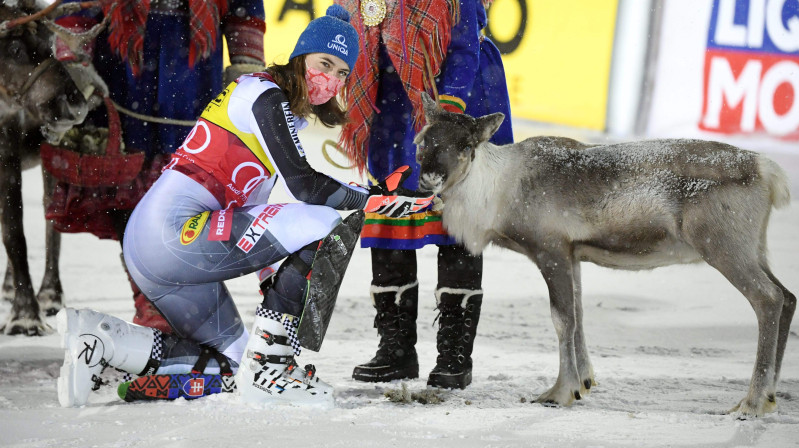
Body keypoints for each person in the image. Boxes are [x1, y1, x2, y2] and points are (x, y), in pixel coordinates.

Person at [56, 5, 434, 408]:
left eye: (343, 73)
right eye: (325, 63)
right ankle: (271, 367)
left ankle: (100, 342)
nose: (332, 80)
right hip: (169, 235)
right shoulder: (263, 94)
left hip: (163, 248)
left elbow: (258, 221)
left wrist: (280, 295)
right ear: (300, 56)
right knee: (323, 222)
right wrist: (367, 198)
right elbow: (305, 187)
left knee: (233, 365)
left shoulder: (277, 110)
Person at [49, 0, 267, 333]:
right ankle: (152, 301)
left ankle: (181, 301)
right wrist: (74, 51)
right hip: (121, 66)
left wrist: (246, 65)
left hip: (193, 68)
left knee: (189, 194)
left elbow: (242, 8)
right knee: (127, 195)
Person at [337, 0, 514, 389]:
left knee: (456, 225)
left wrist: (446, 116)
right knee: (390, 214)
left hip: (453, 98)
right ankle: (395, 350)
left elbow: (464, 46)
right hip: (390, 108)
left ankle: (454, 355)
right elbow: (345, 34)